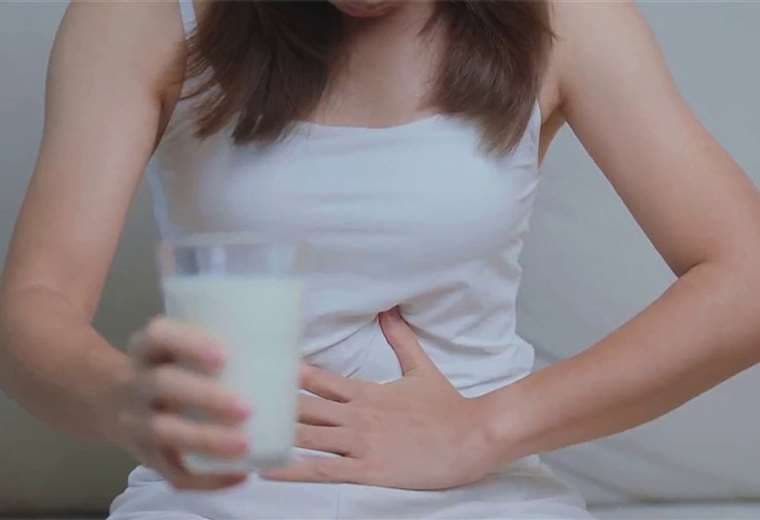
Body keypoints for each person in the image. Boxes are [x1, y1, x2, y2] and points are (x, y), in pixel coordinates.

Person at [1, 0, 759, 518]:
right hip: (221, 487)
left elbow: (746, 276)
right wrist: (127, 401)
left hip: (472, 491)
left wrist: (486, 430)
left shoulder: (565, 19)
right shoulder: (139, 17)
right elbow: (35, 303)